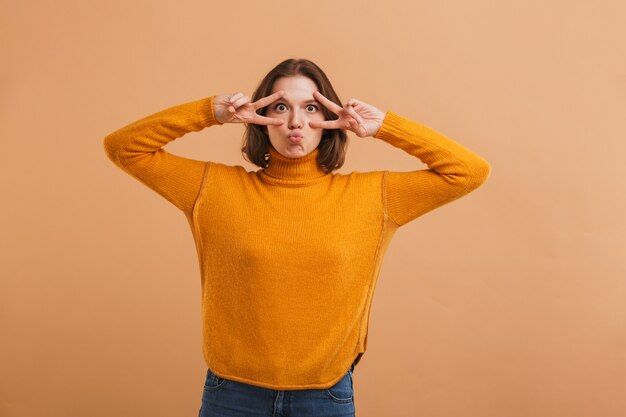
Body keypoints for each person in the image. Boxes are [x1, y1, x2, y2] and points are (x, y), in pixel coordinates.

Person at [103, 58, 491, 417]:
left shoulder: (374, 197)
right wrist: (210, 113)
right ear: (261, 116)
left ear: (331, 118)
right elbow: (123, 147)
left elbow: (468, 171)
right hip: (231, 395)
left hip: (325, 395)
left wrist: (384, 125)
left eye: (311, 108)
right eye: (280, 107)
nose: (295, 123)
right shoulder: (213, 188)